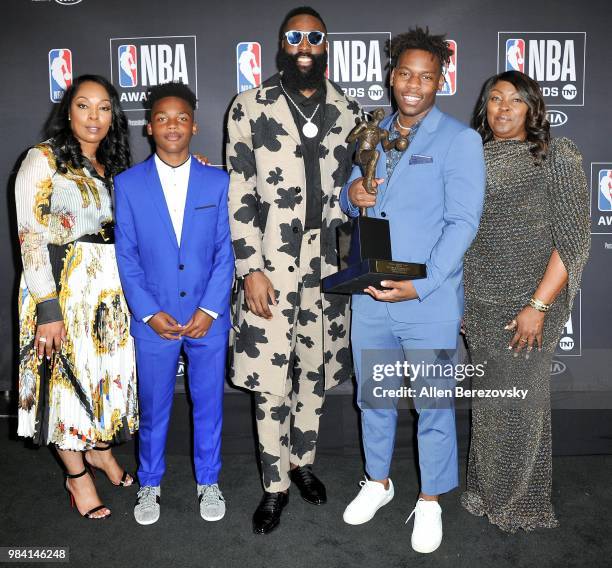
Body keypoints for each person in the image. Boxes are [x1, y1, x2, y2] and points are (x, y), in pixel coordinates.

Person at [340, 28, 485, 554]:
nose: (414, 85)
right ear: (391, 75)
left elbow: (463, 222)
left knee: (433, 404)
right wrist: (348, 192)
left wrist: (419, 285)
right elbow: (354, 194)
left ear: (441, 79)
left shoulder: (459, 139)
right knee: (374, 397)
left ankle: (429, 499)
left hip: (427, 299)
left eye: (426, 76)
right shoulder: (372, 130)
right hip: (370, 291)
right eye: (405, 73)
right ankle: (378, 482)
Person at [226, 6, 361, 534]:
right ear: (282, 44)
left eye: (315, 36)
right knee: (269, 379)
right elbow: (239, 189)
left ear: (325, 45)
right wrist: (249, 267)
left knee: (315, 370)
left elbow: (357, 193)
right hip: (271, 265)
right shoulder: (248, 106)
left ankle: (303, 464)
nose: (305, 44)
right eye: (295, 36)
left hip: (327, 264)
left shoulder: (349, 111)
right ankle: (274, 484)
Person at [460, 70, 590, 532]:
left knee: (520, 404)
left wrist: (537, 306)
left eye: (515, 100)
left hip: (529, 304)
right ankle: (483, 489)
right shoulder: (471, 155)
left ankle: (520, 504)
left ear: (533, 108)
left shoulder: (555, 155)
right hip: (481, 303)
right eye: (494, 99)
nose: (503, 108)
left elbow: (573, 241)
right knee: (491, 402)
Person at [15, 74, 138, 519]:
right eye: (84, 105)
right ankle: (77, 477)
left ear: (113, 115)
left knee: (102, 381)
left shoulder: (116, 166)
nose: (94, 116)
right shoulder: (42, 159)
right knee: (65, 383)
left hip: (109, 295)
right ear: (68, 111)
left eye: (104, 107)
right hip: (60, 291)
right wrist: (47, 307)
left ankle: (100, 451)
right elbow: (30, 237)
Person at [114, 82, 234, 525]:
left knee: (209, 406)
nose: (171, 124)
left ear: (194, 125)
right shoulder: (127, 185)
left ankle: (209, 481)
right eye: (162, 117)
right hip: (153, 321)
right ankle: (149, 484)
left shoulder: (218, 181)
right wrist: (147, 311)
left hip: (208, 320)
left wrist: (210, 310)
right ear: (149, 127)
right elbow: (125, 254)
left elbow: (227, 251)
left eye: (180, 117)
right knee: (154, 408)